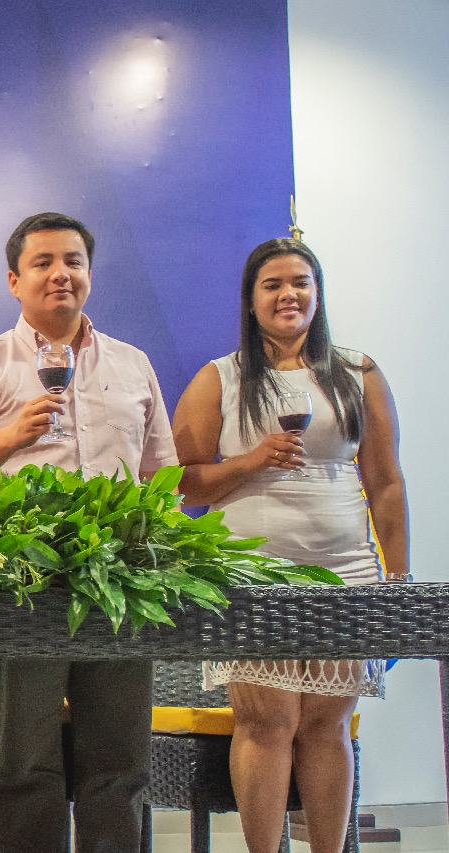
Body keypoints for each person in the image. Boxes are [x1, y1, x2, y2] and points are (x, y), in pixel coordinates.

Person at [0, 212, 176, 852]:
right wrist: (13, 436)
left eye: (72, 261)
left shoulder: (132, 364)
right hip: (26, 584)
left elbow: (162, 477)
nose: (59, 274)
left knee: (119, 765)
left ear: (89, 275)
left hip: (122, 584)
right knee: (23, 763)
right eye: (42, 263)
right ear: (15, 280)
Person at [171, 237, 409, 853]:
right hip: (251, 574)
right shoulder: (220, 378)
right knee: (266, 722)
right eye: (272, 285)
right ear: (251, 302)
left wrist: (398, 582)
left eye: (301, 282)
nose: (289, 295)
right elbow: (179, 480)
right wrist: (251, 463)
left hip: (346, 571)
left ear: (318, 294)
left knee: (327, 724)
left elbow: (384, 482)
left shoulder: (359, 372)